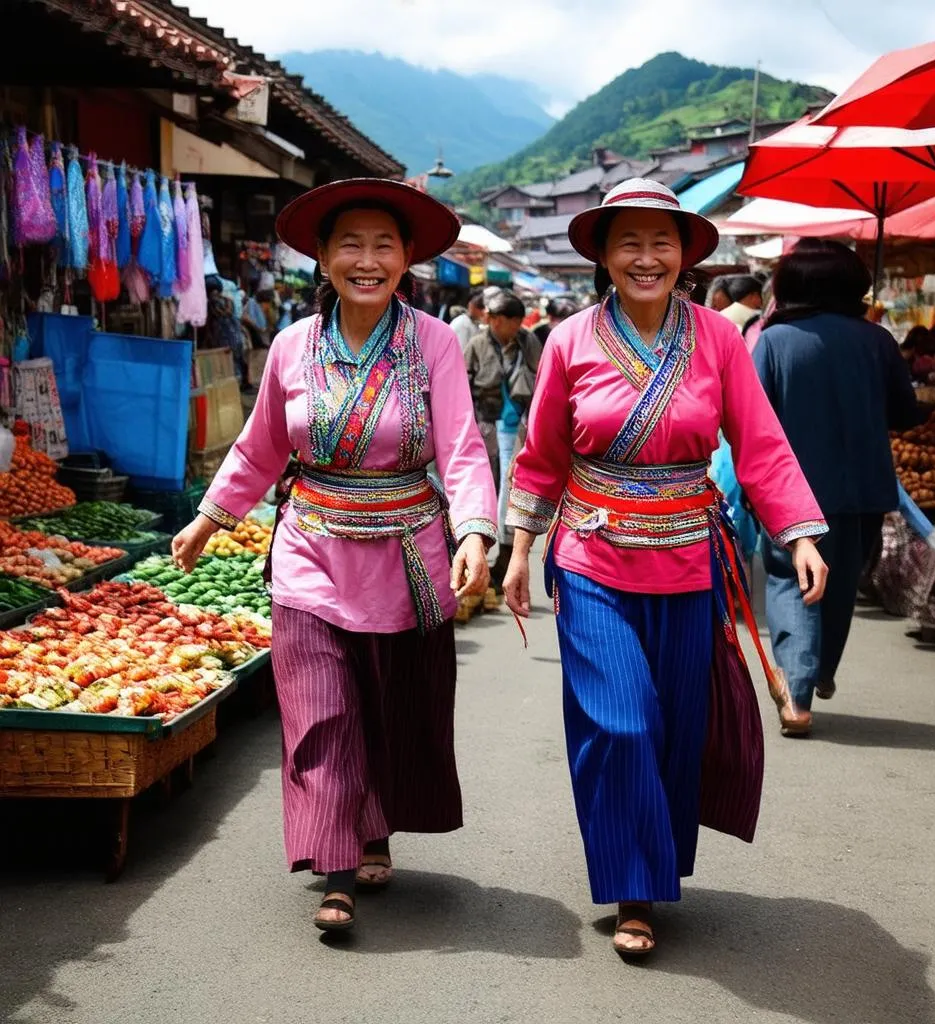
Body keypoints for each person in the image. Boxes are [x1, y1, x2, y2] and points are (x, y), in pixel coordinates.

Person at [502, 179, 828, 959]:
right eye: (629, 243)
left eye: (662, 242)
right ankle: (632, 892)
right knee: (621, 720)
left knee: (676, 726)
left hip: (689, 561)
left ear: (685, 255)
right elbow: (543, 455)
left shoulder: (718, 338)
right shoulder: (571, 341)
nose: (646, 258)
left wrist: (799, 533)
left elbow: (761, 444)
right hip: (590, 557)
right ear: (605, 256)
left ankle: (651, 867)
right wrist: (519, 548)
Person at [172, 179, 497, 933]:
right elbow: (259, 449)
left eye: (384, 245)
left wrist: (476, 529)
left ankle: (374, 824)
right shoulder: (291, 345)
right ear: (321, 257)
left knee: (385, 708)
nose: (367, 260)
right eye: (349, 244)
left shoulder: (435, 342)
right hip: (309, 551)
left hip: (406, 556)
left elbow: (459, 445)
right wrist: (208, 519)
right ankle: (336, 866)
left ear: (407, 257)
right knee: (322, 711)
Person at [753, 238, 919, 735]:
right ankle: (820, 671)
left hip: (792, 488)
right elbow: (906, 414)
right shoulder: (878, 341)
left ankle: (798, 693)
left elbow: (751, 418)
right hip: (864, 487)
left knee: (789, 579)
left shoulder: (775, 341)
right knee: (841, 584)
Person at [465, 289, 542, 589]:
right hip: (484, 424)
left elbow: (541, 379)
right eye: (494, 318)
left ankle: (505, 562)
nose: (495, 323)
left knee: (510, 490)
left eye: (505, 319)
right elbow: (462, 384)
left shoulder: (528, 341)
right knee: (485, 486)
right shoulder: (477, 344)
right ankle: (478, 555)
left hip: (518, 426)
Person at [204, 274, 253, 392]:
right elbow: (236, 315)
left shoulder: (210, 303)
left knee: (228, 364)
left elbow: (210, 323)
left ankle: (234, 387)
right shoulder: (229, 300)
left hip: (223, 338)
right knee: (239, 360)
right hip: (236, 335)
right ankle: (241, 384)